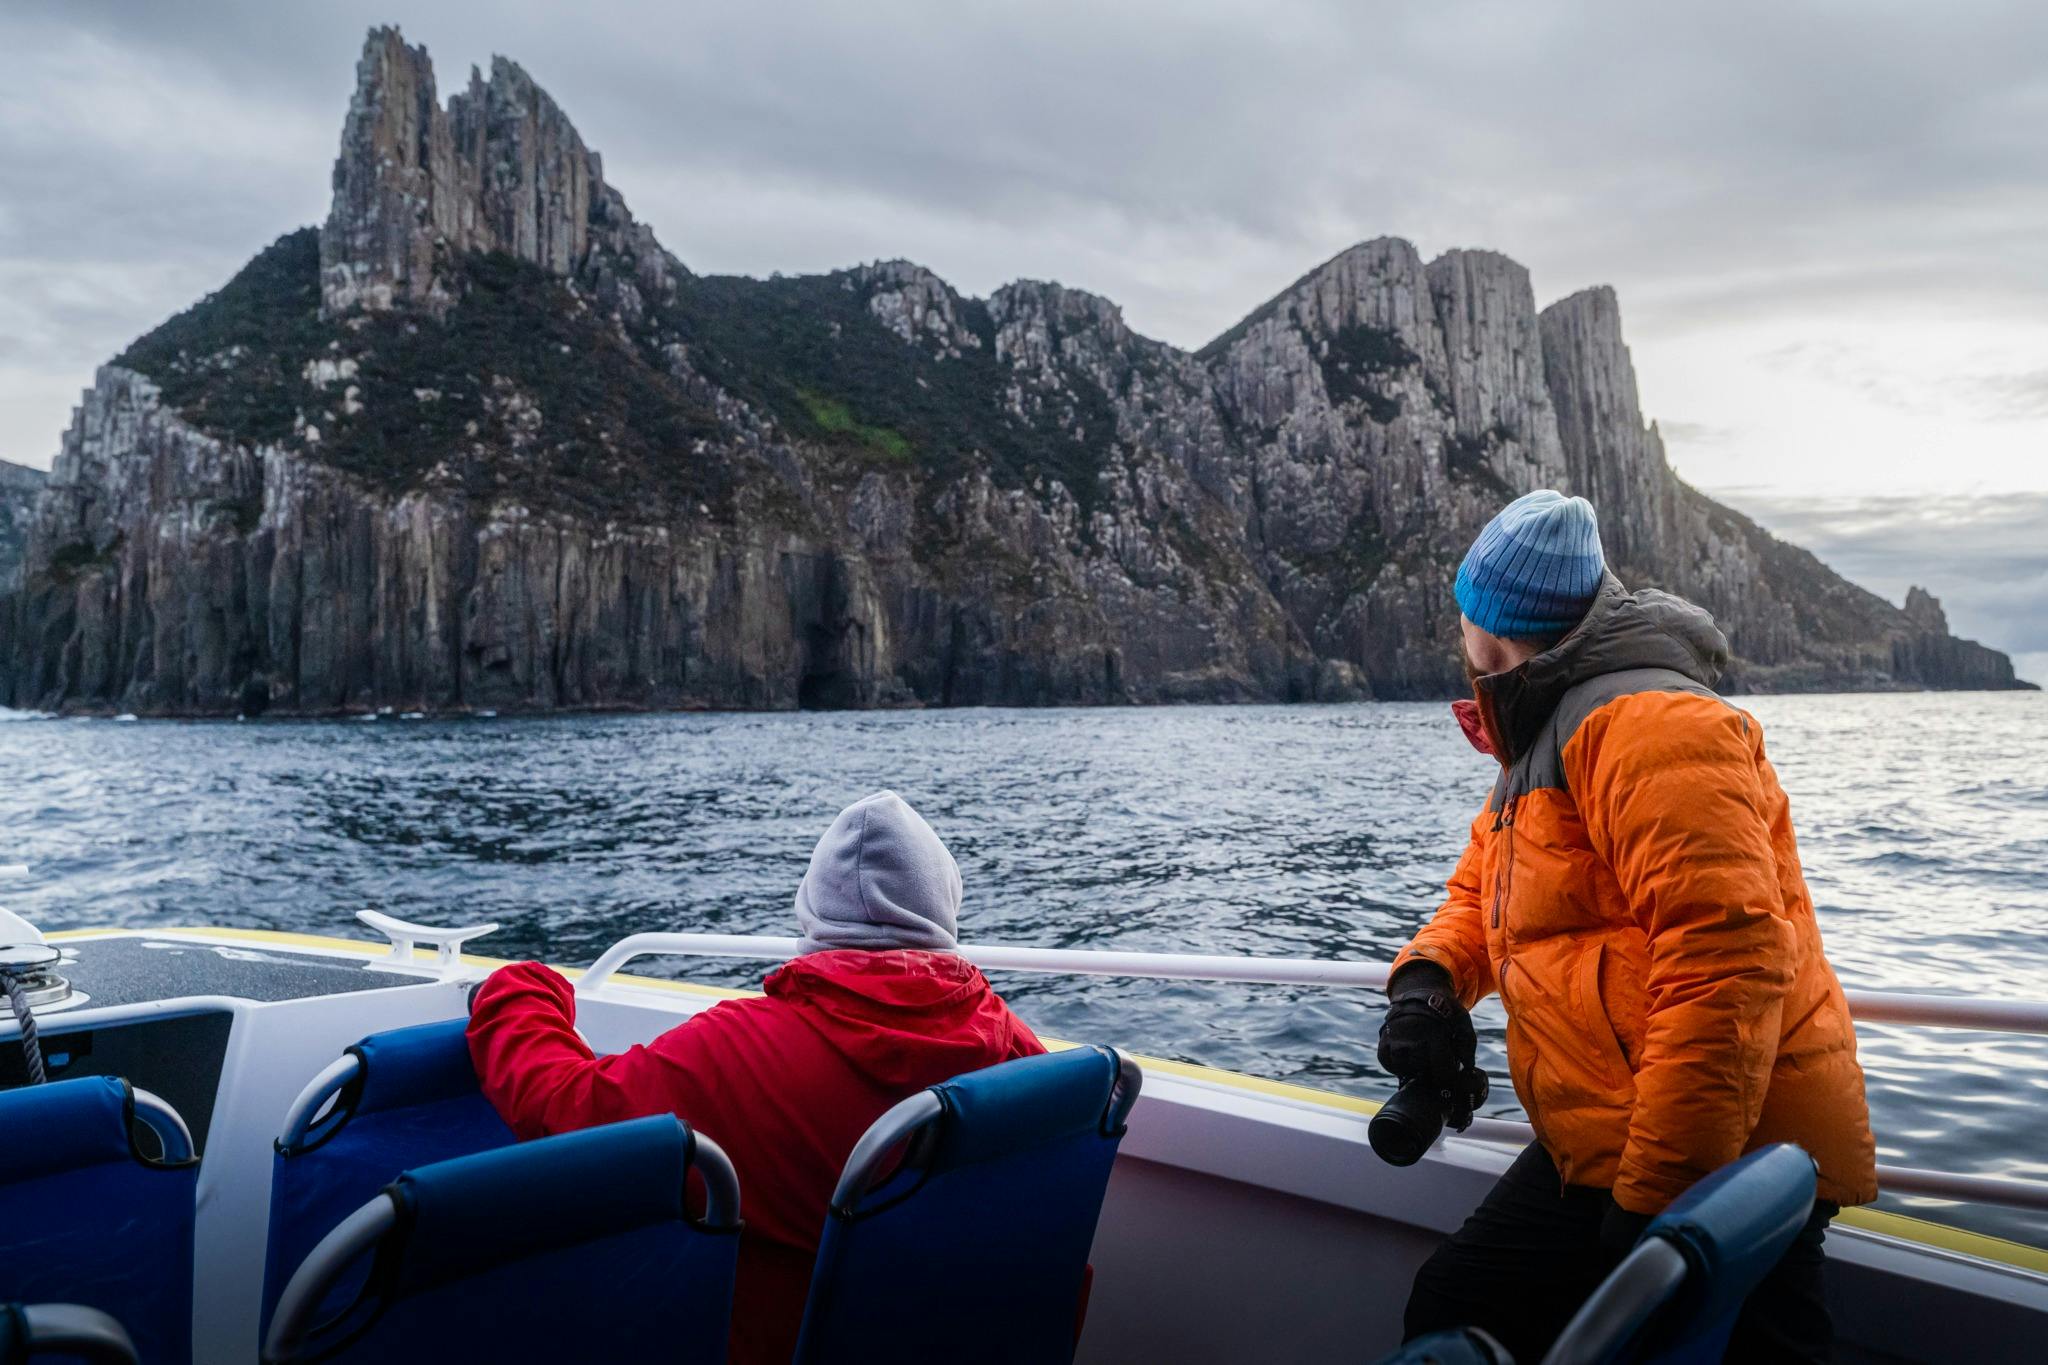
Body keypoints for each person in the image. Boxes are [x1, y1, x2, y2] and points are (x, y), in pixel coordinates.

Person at [1383, 490, 1877, 1363]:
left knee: (1747, 1348)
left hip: (1729, 1144)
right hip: (1621, 1126)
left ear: (1485, 625)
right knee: (1459, 1299)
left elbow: (1726, 962)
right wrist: (1429, 979)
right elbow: (1480, 890)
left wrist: (1655, 1196)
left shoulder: (1648, 723)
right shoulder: (1545, 728)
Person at [467, 790, 1045, 1365]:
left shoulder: (738, 1049)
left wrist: (521, 989)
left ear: (814, 910)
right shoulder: (1021, 1053)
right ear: (944, 904)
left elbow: (566, 1109)